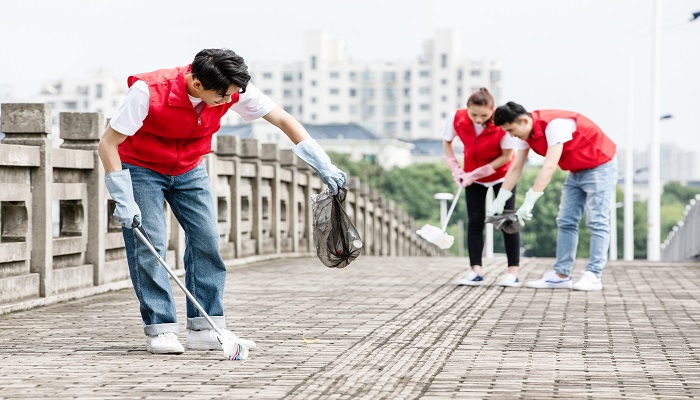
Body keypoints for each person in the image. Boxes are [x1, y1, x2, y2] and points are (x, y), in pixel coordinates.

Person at [98, 49, 347, 355]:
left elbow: (281, 119)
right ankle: (160, 329)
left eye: (232, 94)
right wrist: (123, 197)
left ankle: (205, 327)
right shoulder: (147, 92)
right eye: (221, 97)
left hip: (189, 168)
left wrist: (323, 164)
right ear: (197, 83)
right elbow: (108, 143)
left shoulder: (231, 87)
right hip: (141, 168)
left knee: (207, 242)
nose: (227, 101)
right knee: (151, 244)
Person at [490, 102, 617, 291]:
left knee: (597, 221)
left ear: (524, 120)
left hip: (600, 166)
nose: (510, 135)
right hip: (576, 170)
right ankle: (561, 274)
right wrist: (500, 198)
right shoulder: (526, 132)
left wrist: (529, 202)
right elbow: (516, 167)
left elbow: (549, 166)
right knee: (565, 221)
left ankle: (594, 275)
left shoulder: (555, 125)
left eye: (511, 129)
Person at [442, 88, 522, 287]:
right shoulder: (456, 118)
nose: (478, 119)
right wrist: (456, 168)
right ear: (467, 109)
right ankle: (475, 271)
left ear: (492, 110)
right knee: (475, 221)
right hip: (471, 175)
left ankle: (513, 272)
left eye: (484, 115)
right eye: (474, 114)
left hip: (502, 174)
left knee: (507, 219)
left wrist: (479, 172)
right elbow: (447, 141)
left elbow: (506, 156)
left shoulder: (502, 122)